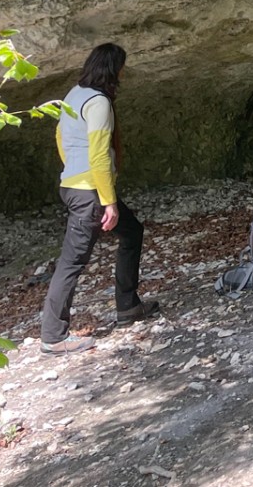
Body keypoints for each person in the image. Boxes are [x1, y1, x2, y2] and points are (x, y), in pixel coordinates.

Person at [39, 43, 161, 354]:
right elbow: (99, 154)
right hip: (89, 191)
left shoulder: (74, 94)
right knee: (72, 261)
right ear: (113, 70)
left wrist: (72, 168)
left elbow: (59, 136)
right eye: (122, 67)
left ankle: (128, 305)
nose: (123, 72)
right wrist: (108, 201)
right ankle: (54, 336)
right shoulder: (99, 104)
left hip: (75, 184)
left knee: (132, 232)